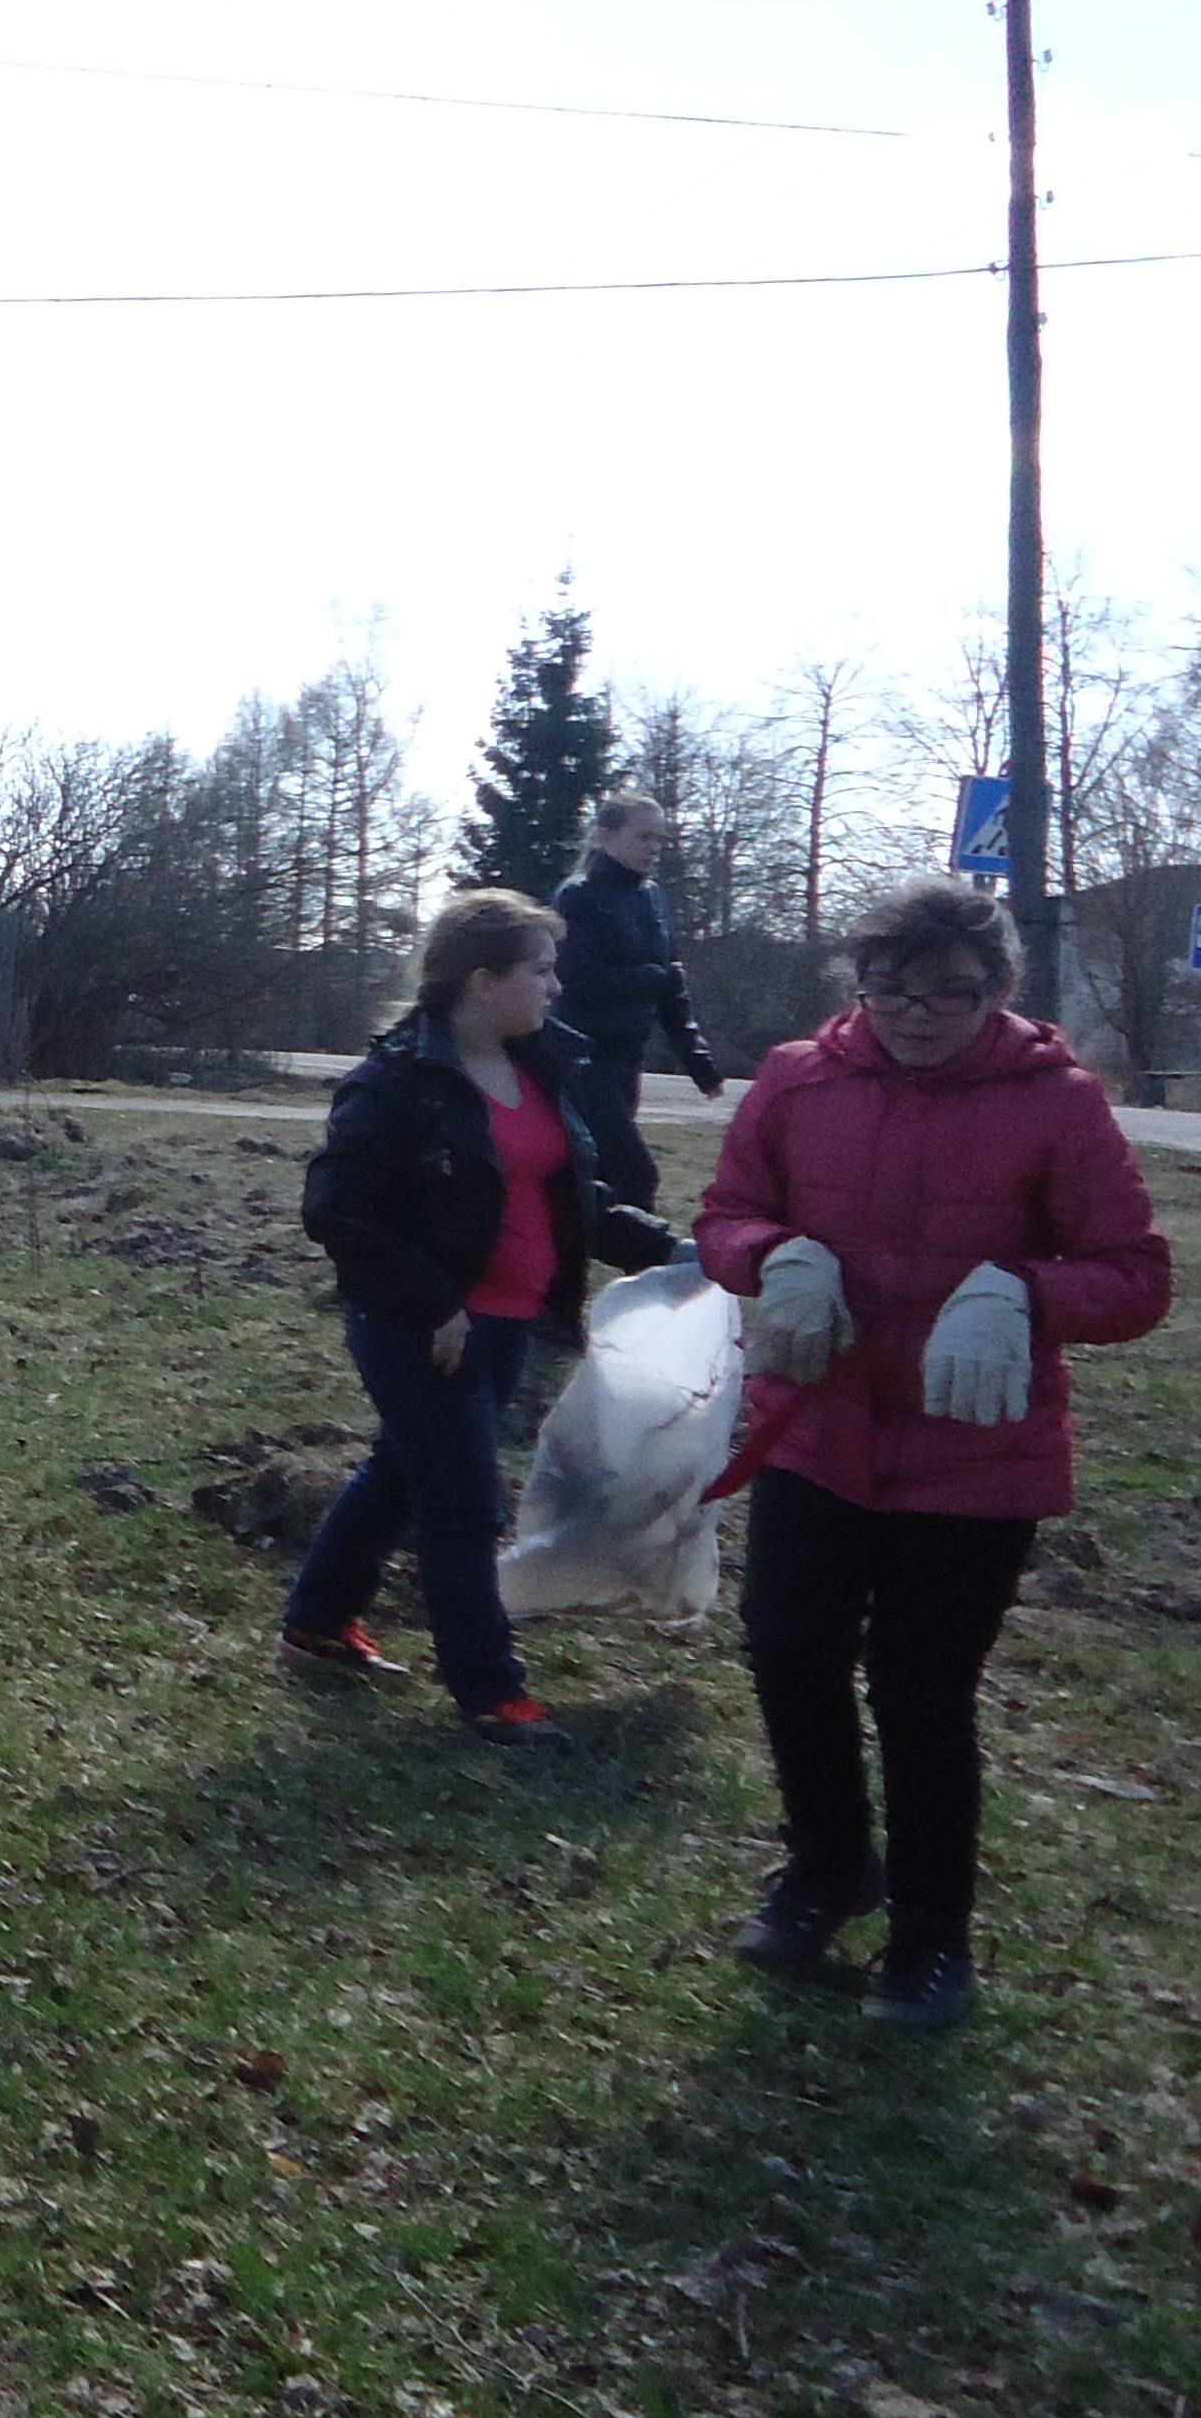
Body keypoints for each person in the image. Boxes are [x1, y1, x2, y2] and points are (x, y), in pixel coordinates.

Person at [692, 875, 1170, 2030]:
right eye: (889, 988)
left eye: (948, 994)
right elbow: (723, 1216)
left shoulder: (1059, 1104)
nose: (913, 1014)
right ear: (859, 984)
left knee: (920, 1690)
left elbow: (1138, 1277)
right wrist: (772, 1257)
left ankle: (931, 1939)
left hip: (973, 1451)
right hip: (818, 1426)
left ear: (1000, 987)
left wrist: (1025, 1290)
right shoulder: (800, 1080)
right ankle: (825, 1869)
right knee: (788, 1649)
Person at [285, 886, 679, 1739]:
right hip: (421, 1325)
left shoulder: (539, 1066)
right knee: (463, 1506)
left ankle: (316, 1622)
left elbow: (575, 1197)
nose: (555, 988)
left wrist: (669, 1249)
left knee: (402, 1469)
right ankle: (491, 1692)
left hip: (512, 1319)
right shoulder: (398, 1082)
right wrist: (434, 1303)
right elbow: (338, 1211)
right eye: (540, 971)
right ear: (481, 980)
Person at [554, 793, 726, 1214]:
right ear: (605, 835)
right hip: (582, 1059)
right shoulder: (578, 896)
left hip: (627, 1061)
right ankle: (646, 1271)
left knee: (597, 1183)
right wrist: (651, 979)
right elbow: (574, 978)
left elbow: (671, 988)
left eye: (660, 839)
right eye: (643, 836)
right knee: (634, 1175)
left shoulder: (652, 898)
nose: (654, 847)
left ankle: (577, 1261)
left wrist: (697, 1060)